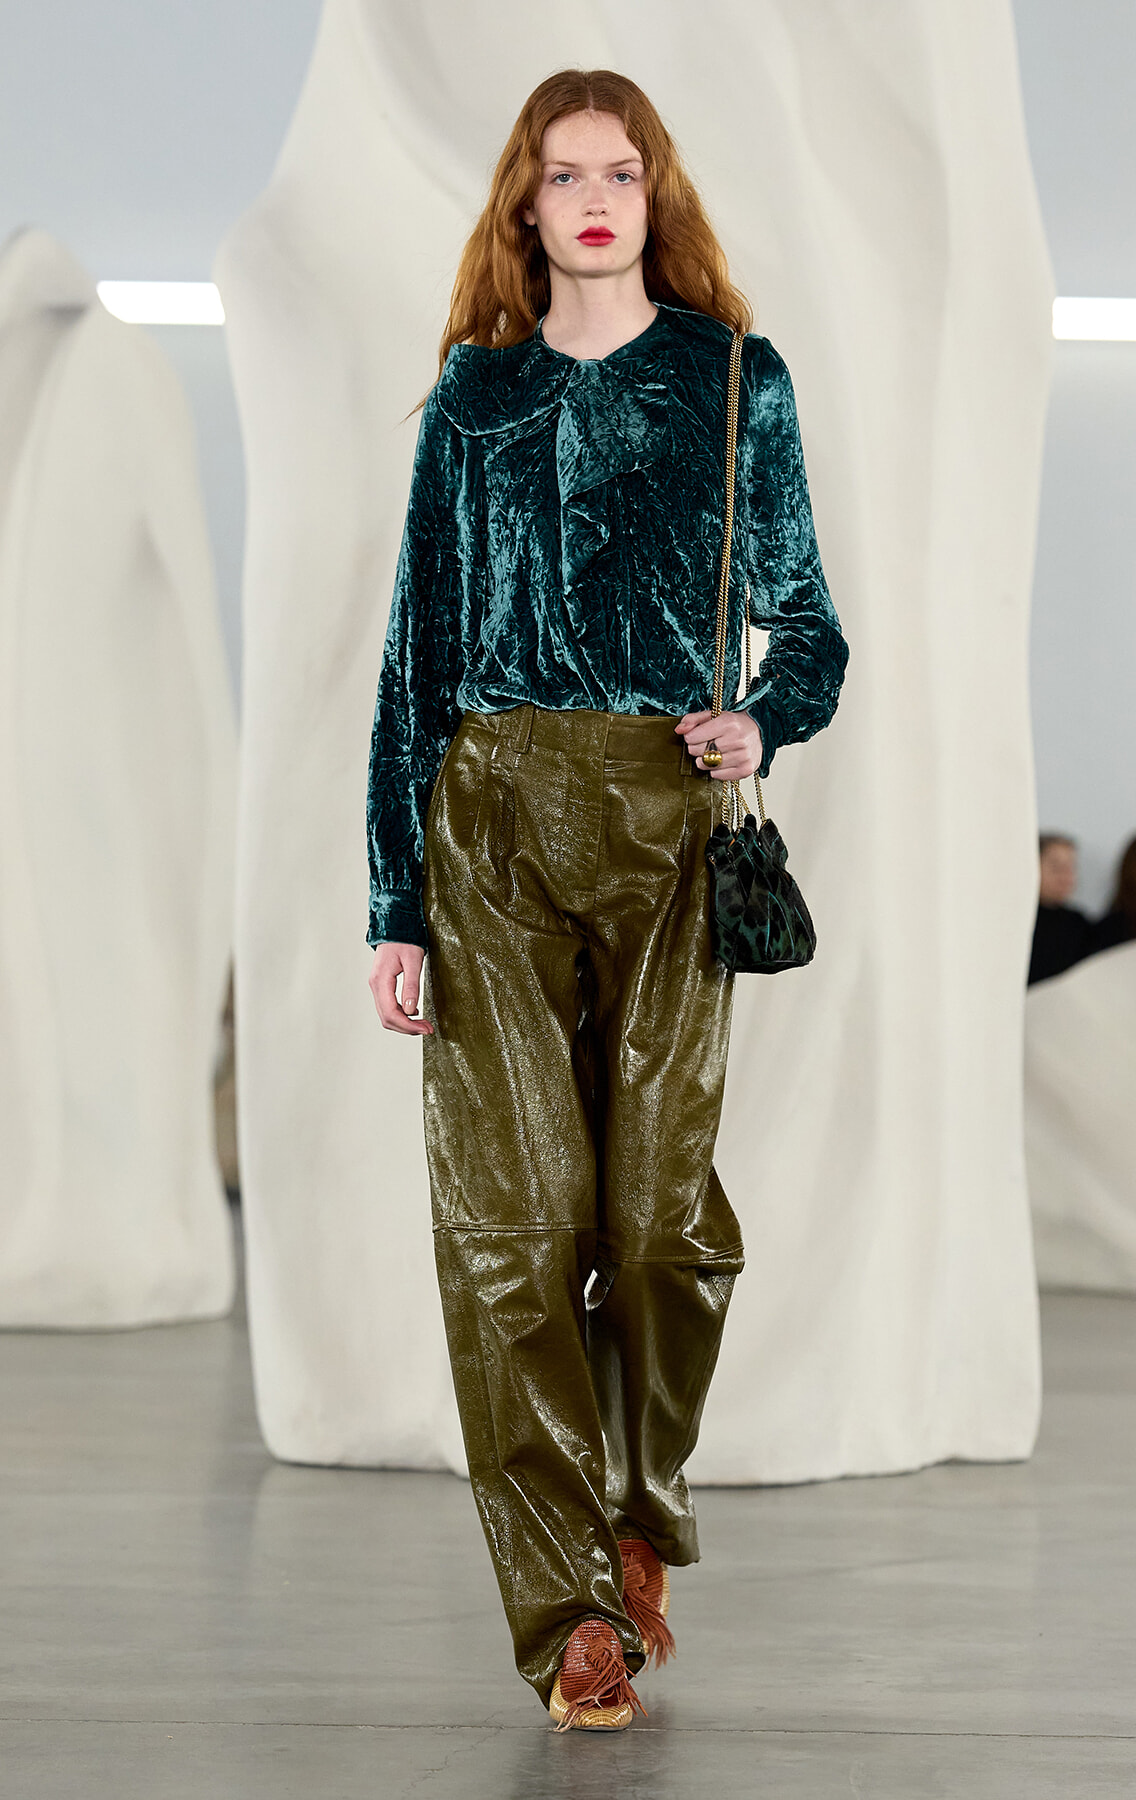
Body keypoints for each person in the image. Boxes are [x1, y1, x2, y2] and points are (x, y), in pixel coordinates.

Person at [365, 68, 848, 1732]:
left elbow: (809, 623)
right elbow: (414, 659)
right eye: (563, 172)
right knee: (508, 1231)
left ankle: (638, 1509)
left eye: (619, 173)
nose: (590, 198)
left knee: (654, 1225)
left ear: (656, 196)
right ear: (525, 199)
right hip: (487, 824)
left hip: (663, 819)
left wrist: (761, 717)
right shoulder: (474, 396)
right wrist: (393, 898)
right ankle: (571, 1607)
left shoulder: (733, 381)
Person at [1028, 833, 1092, 984]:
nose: (1066, 876)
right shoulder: (1017, 921)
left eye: (1071, 867)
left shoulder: (1079, 924)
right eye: (1056, 867)